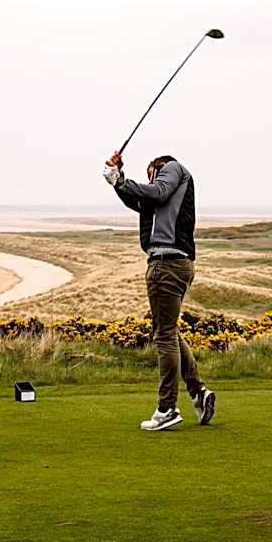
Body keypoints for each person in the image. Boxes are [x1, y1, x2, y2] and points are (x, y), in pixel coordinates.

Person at [103, 151, 215, 431]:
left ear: (158, 167)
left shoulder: (172, 169)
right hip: (174, 264)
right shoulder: (162, 193)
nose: (150, 178)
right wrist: (119, 182)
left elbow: (156, 192)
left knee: (163, 335)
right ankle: (198, 392)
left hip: (167, 265)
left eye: (150, 172)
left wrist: (122, 179)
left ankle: (167, 408)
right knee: (169, 331)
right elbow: (141, 200)